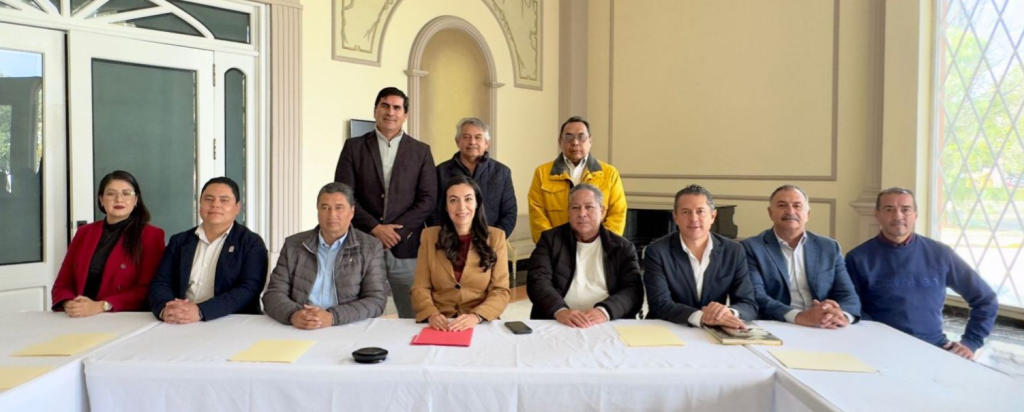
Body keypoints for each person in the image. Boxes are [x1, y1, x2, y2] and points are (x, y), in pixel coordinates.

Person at [846, 187, 998, 359]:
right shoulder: (858, 258)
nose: (898, 216)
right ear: (877, 214)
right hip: (879, 349)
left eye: (905, 209)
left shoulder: (940, 254)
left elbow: (986, 299)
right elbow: (851, 308)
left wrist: (971, 342)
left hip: (934, 347)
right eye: (889, 209)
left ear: (915, 215)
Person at [335, 87, 437, 319]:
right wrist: (375, 228)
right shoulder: (354, 147)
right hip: (363, 242)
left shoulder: (421, 151)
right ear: (375, 110)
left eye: (397, 108)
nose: (390, 112)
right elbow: (344, 195)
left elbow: (428, 198)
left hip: (406, 246)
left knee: (413, 315)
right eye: (385, 106)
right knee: (358, 312)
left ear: (405, 115)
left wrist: (397, 232)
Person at [263, 182, 388, 328]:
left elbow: (376, 300)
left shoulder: (371, 247)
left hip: (346, 326)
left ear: (352, 212)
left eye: (339, 208)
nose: (332, 215)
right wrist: (294, 314)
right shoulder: (294, 245)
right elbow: (273, 293)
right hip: (300, 325)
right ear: (317, 210)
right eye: (325, 208)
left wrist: (333, 317)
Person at [149, 177, 269, 323]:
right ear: (200, 204)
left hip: (232, 321)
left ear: (237, 207)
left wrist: (201, 311)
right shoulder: (179, 241)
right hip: (181, 321)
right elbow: (161, 282)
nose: (215, 205)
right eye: (208, 199)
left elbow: (249, 289)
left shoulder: (251, 243)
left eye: (224, 200)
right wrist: (166, 309)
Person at [742, 185, 861, 328]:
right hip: (778, 324)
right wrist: (799, 316)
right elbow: (756, 295)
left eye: (797, 206)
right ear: (770, 213)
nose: (790, 211)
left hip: (824, 324)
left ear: (808, 214)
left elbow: (847, 293)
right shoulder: (751, 247)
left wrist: (842, 316)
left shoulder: (829, 247)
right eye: (782, 205)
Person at [527, 184, 644, 328]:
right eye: (575, 207)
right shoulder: (550, 240)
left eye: (589, 207)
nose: (582, 214)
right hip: (559, 320)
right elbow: (538, 281)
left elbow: (633, 290)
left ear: (602, 210)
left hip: (606, 321)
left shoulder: (622, 247)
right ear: (569, 211)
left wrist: (605, 311)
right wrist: (560, 310)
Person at [52, 170, 165, 317]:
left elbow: (147, 290)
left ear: (136, 200)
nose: (119, 199)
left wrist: (101, 306)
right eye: (111, 194)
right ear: (101, 199)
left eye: (126, 194)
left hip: (122, 317)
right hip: (80, 315)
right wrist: (69, 303)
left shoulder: (151, 235)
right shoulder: (84, 233)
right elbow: (62, 283)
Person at [643, 185, 757, 328]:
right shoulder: (657, 251)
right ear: (675, 217)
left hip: (716, 328)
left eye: (700, 211)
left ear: (713, 216)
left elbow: (748, 303)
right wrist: (701, 317)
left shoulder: (733, 251)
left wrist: (728, 313)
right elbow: (659, 304)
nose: (693, 219)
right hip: (670, 328)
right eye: (686, 212)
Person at [411, 175, 510, 331]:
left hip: (480, 323)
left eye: (468, 199)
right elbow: (420, 287)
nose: (461, 207)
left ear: (477, 203)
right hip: (441, 323)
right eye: (453, 200)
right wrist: (431, 314)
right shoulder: (429, 236)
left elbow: (500, 290)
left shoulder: (496, 237)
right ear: (446, 206)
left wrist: (476, 316)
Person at [527, 116, 626, 243]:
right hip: (555, 247)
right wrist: (554, 246)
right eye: (568, 137)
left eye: (581, 137)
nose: (575, 142)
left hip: (598, 247)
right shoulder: (542, 173)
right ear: (560, 141)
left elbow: (617, 213)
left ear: (590, 141)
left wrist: (600, 244)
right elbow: (537, 215)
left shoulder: (609, 173)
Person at [432, 117, 517, 237]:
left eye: (478, 137)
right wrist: (448, 238)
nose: (472, 142)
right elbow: (433, 212)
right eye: (466, 137)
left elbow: (509, 214)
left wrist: (491, 240)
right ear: (457, 141)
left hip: (491, 241)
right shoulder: (440, 172)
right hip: (449, 241)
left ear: (487, 143)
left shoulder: (502, 172)